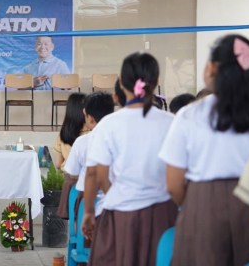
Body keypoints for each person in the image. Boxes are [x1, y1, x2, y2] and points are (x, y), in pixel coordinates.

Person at [159, 34, 249, 264]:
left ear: (211, 68)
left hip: (202, 204)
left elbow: (173, 183)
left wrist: (192, 206)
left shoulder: (190, 114)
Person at [81, 53, 175, 266]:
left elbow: (96, 173)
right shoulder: (172, 122)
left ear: (122, 83)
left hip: (121, 214)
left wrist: (88, 212)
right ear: (156, 81)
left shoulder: (109, 124)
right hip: (163, 214)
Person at [60, 91, 115, 220]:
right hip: (120, 202)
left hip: (89, 202)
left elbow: (72, 173)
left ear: (90, 118)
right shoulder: (122, 138)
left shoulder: (83, 141)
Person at [53, 92, 87, 170]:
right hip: (84, 176)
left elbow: (58, 163)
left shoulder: (63, 134)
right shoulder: (92, 133)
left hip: (66, 176)